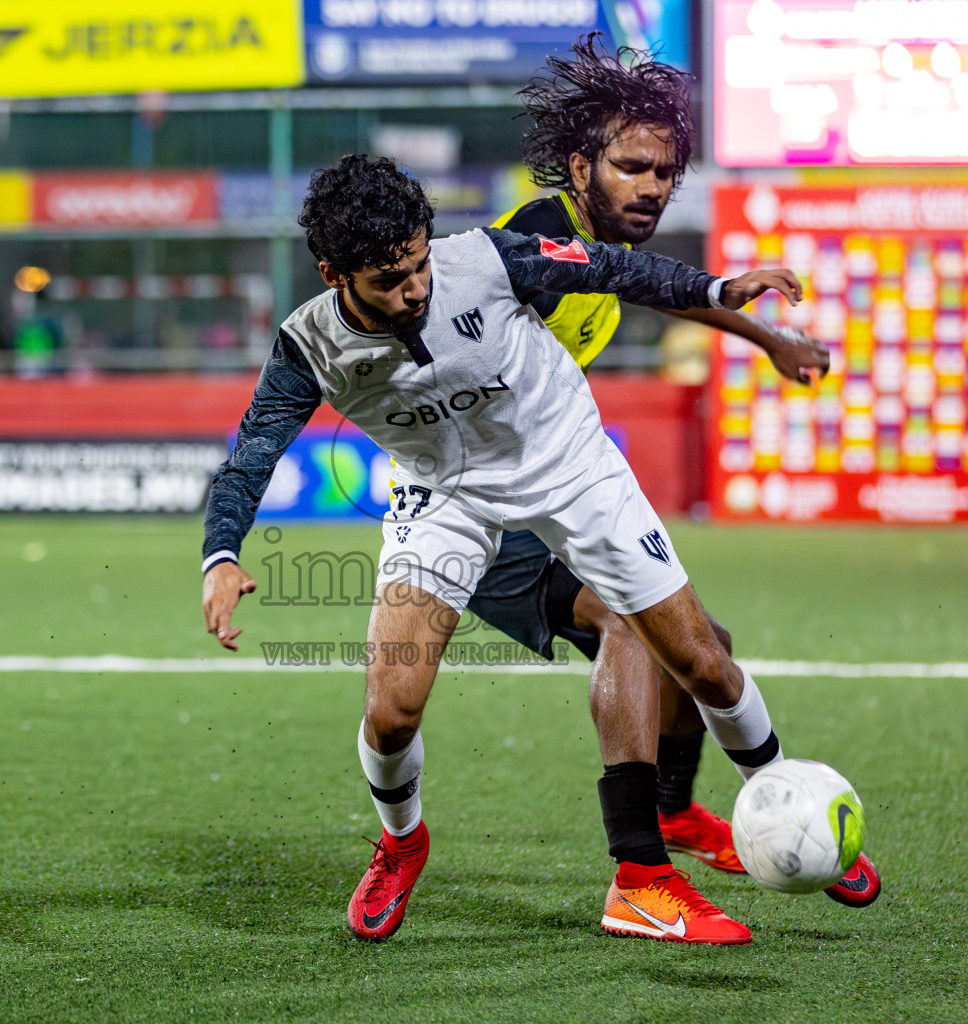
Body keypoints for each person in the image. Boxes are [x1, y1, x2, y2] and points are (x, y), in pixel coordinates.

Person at [202, 154, 826, 945]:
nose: (416, 289)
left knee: (701, 659)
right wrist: (221, 556)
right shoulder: (308, 347)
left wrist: (715, 291)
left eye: (420, 265)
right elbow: (251, 454)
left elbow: (609, 268)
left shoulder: (486, 258)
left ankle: (783, 798)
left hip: (571, 466)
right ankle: (402, 842)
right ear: (334, 274)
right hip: (445, 495)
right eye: (390, 280)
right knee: (391, 715)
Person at [470, 34, 880, 906]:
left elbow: (653, 286)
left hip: (543, 494)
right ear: (580, 166)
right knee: (633, 622)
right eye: (633, 166)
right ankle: (640, 872)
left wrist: (769, 337)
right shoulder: (540, 240)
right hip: (478, 513)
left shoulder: (598, 243)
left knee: (708, 649)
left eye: (665, 171)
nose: (653, 186)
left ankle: (681, 811)